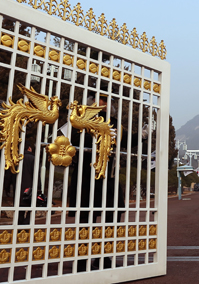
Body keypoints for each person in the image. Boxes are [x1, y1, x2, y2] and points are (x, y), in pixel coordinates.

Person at [68, 94, 129, 271]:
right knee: (86, 218)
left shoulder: (115, 122)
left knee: (113, 216)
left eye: (107, 100)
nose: (104, 103)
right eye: (101, 99)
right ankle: (82, 258)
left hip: (108, 177)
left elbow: (125, 141)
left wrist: (142, 136)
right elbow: (76, 141)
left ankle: (106, 256)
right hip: (87, 177)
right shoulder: (82, 118)